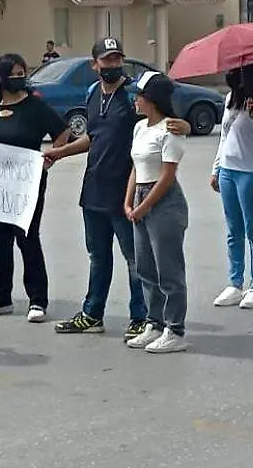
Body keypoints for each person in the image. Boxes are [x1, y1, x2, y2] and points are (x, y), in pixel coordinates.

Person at [44, 38, 190, 342]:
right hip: (94, 189)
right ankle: (92, 313)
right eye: (107, 60)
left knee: (137, 259)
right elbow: (94, 138)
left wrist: (185, 125)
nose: (113, 66)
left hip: (127, 191)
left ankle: (142, 318)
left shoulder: (133, 96)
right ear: (94, 65)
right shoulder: (92, 93)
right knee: (98, 256)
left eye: (117, 60)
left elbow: (162, 119)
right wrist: (59, 153)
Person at [0, 53, 69, 322]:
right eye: (13, 73)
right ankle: (1, 296)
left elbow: (63, 133)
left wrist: (52, 156)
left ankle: (38, 300)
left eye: (22, 72)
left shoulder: (35, 107)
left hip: (26, 184)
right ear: (0, 77)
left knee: (27, 238)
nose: (18, 78)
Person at [124, 71, 190, 353]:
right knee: (145, 267)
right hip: (140, 196)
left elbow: (166, 176)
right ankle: (155, 322)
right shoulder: (140, 128)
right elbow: (136, 168)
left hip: (163, 201)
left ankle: (175, 329)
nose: (135, 100)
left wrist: (143, 206)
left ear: (151, 99)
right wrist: (127, 202)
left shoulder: (171, 129)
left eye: (138, 95)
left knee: (169, 270)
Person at [211, 63, 253, 310]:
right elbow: (224, 136)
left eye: (233, 72)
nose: (228, 76)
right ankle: (235, 283)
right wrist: (216, 168)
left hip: (250, 174)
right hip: (228, 171)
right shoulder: (231, 99)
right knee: (233, 229)